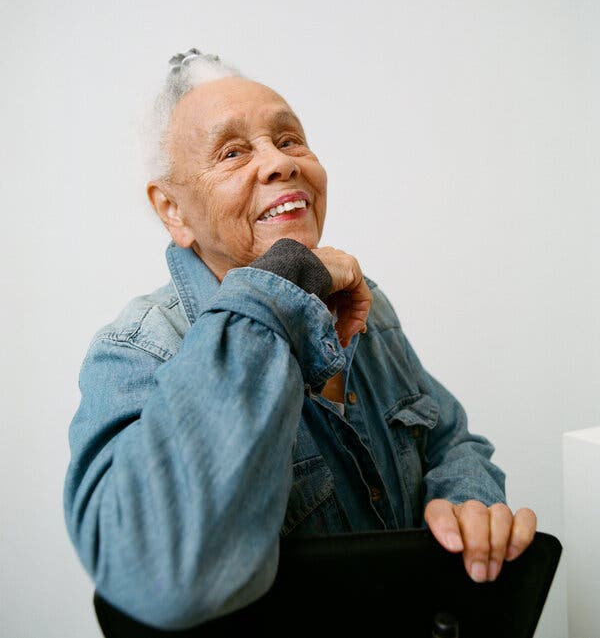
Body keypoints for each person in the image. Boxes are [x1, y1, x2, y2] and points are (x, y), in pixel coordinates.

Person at [64, 48, 537, 631]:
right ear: (173, 210)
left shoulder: (367, 304)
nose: (278, 164)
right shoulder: (136, 353)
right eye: (233, 152)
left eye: (289, 141)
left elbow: (448, 437)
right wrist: (279, 288)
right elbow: (164, 576)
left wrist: (468, 502)